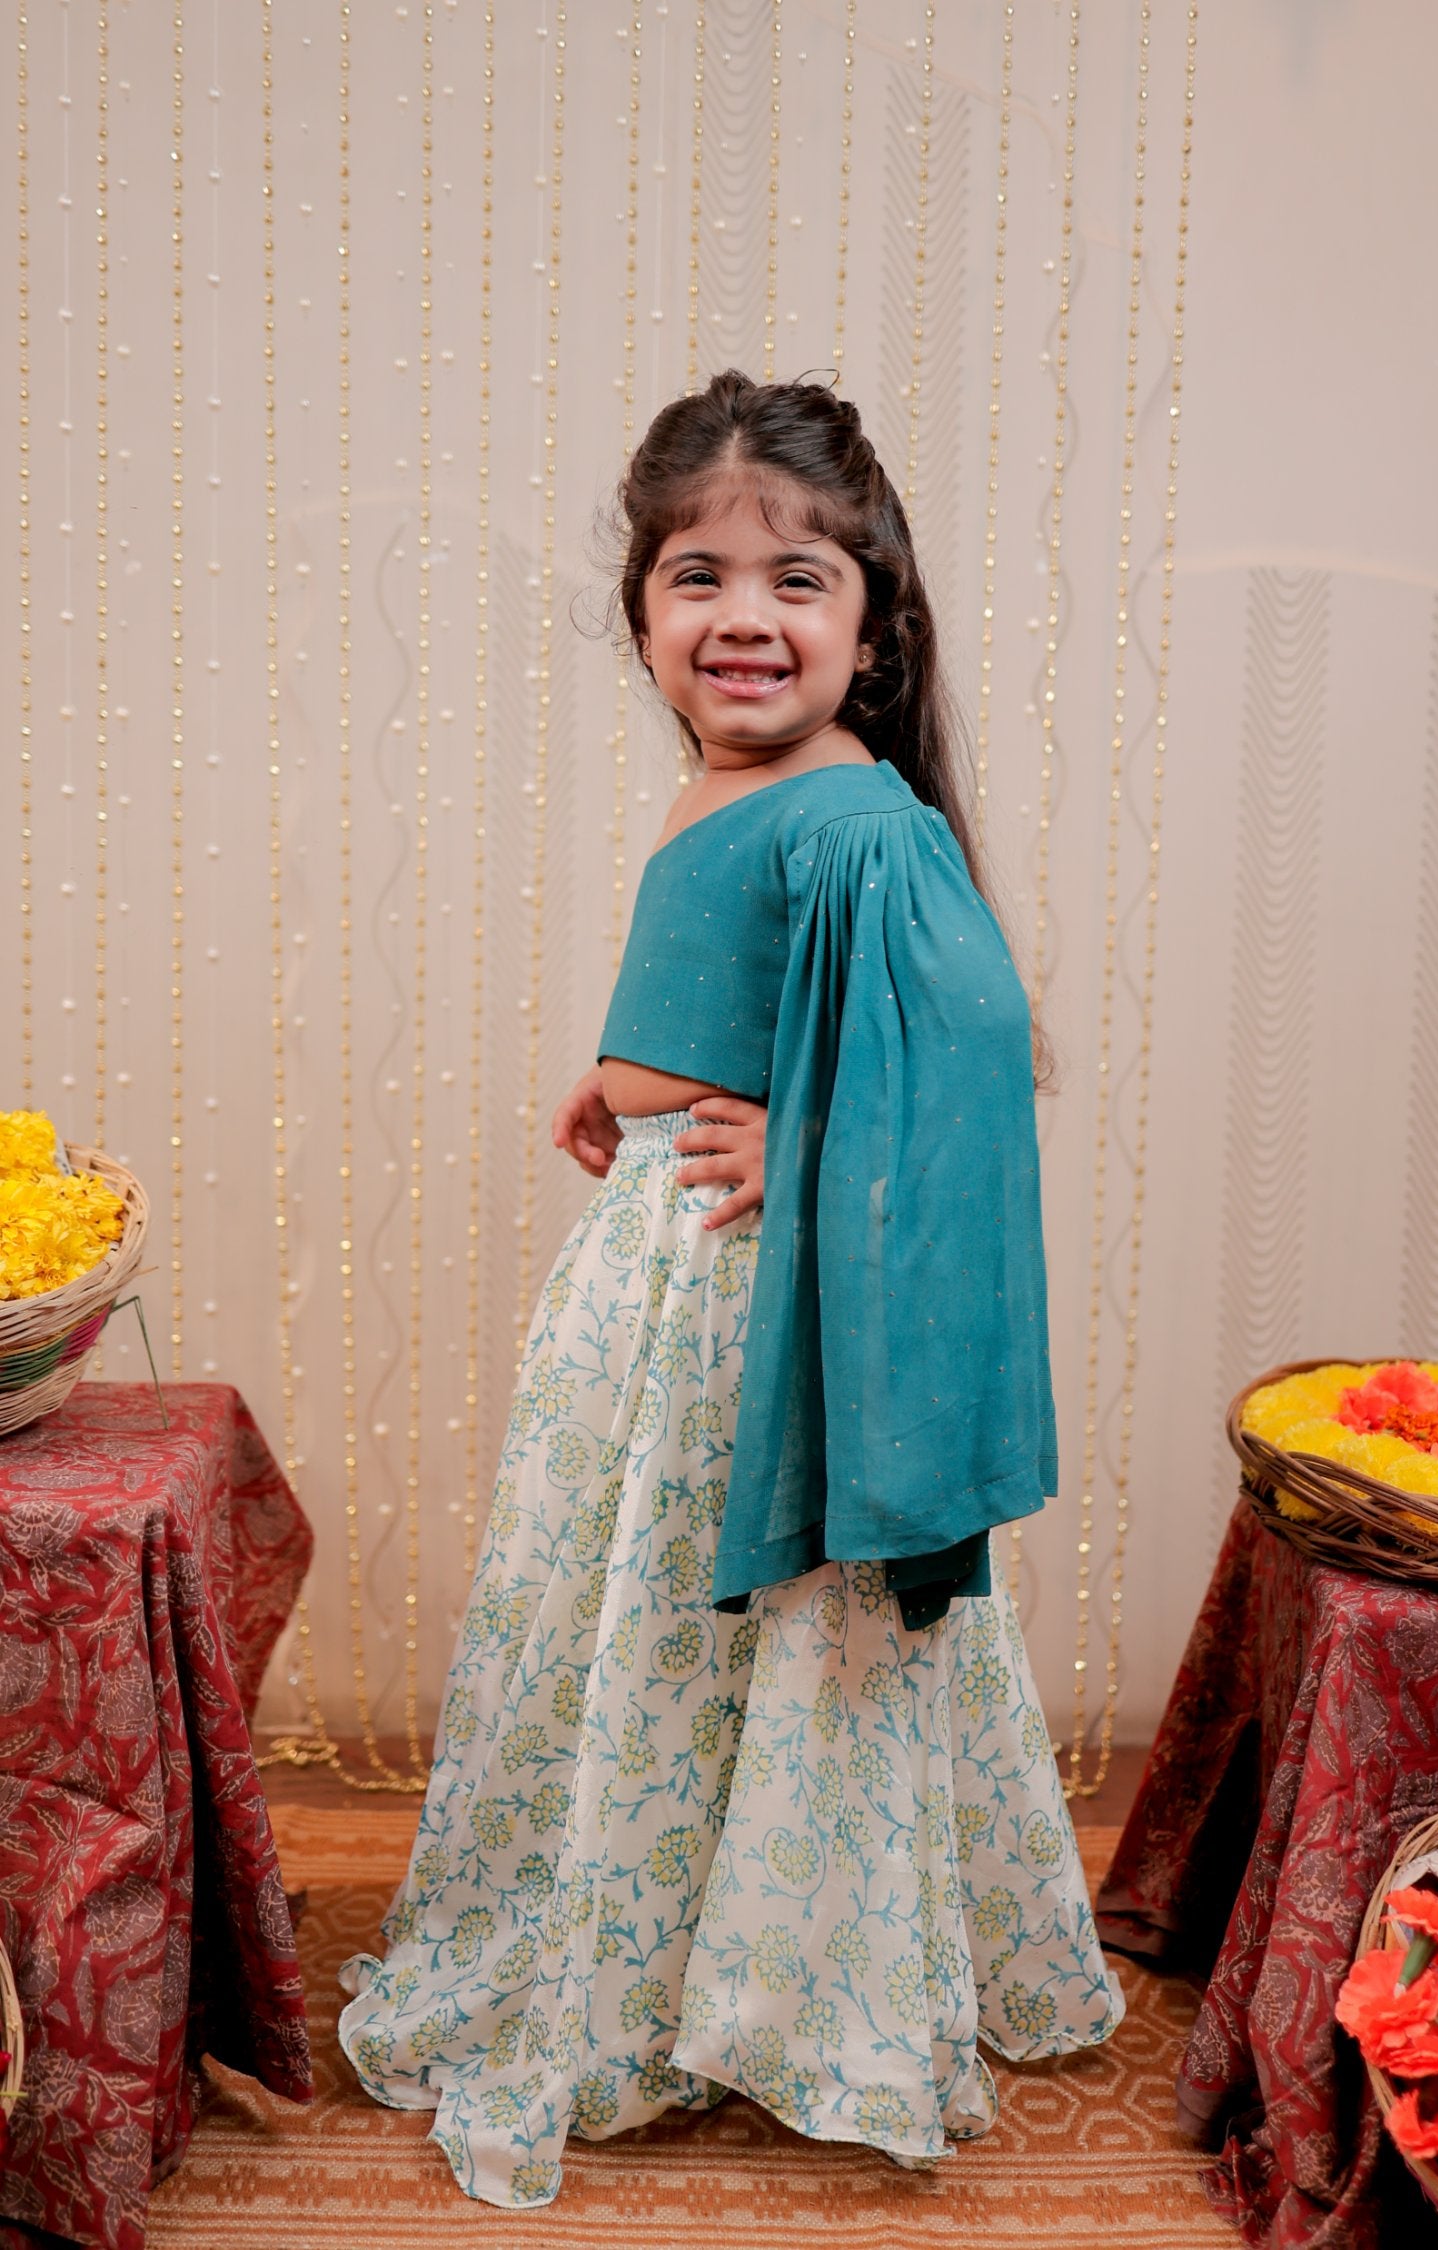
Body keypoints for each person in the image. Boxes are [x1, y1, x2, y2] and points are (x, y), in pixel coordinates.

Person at [338, 371, 1123, 2208]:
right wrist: (626, 1078)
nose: (744, 616)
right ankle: (673, 1934)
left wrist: (812, 1136)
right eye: (698, 575)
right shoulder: (733, 786)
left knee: (759, 1630)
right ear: (641, 616)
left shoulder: (855, 816)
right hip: (662, 1272)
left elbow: (972, 1050)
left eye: (797, 580)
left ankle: (788, 1989)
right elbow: (744, 995)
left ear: (872, 628)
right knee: (664, 1638)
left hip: (750, 1312)